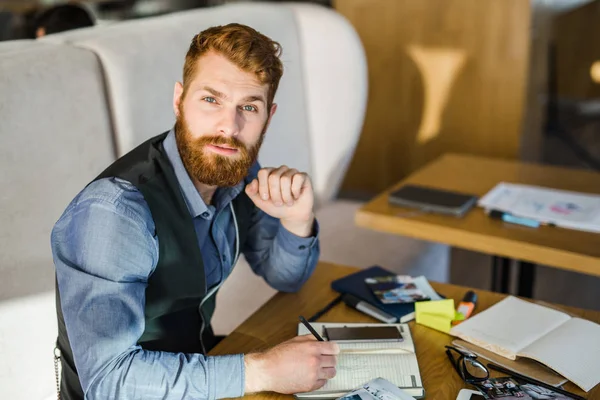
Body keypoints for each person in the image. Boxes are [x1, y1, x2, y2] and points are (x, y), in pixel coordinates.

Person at [51, 23, 339, 400]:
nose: (228, 127)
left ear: (267, 118)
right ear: (179, 99)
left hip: (202, 370)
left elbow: (285, 277)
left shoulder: (237, 171)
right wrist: (262, 370)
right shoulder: (115, 213)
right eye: (211, 100)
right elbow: (109, 381)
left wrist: (296, 220)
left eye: (248, 107)